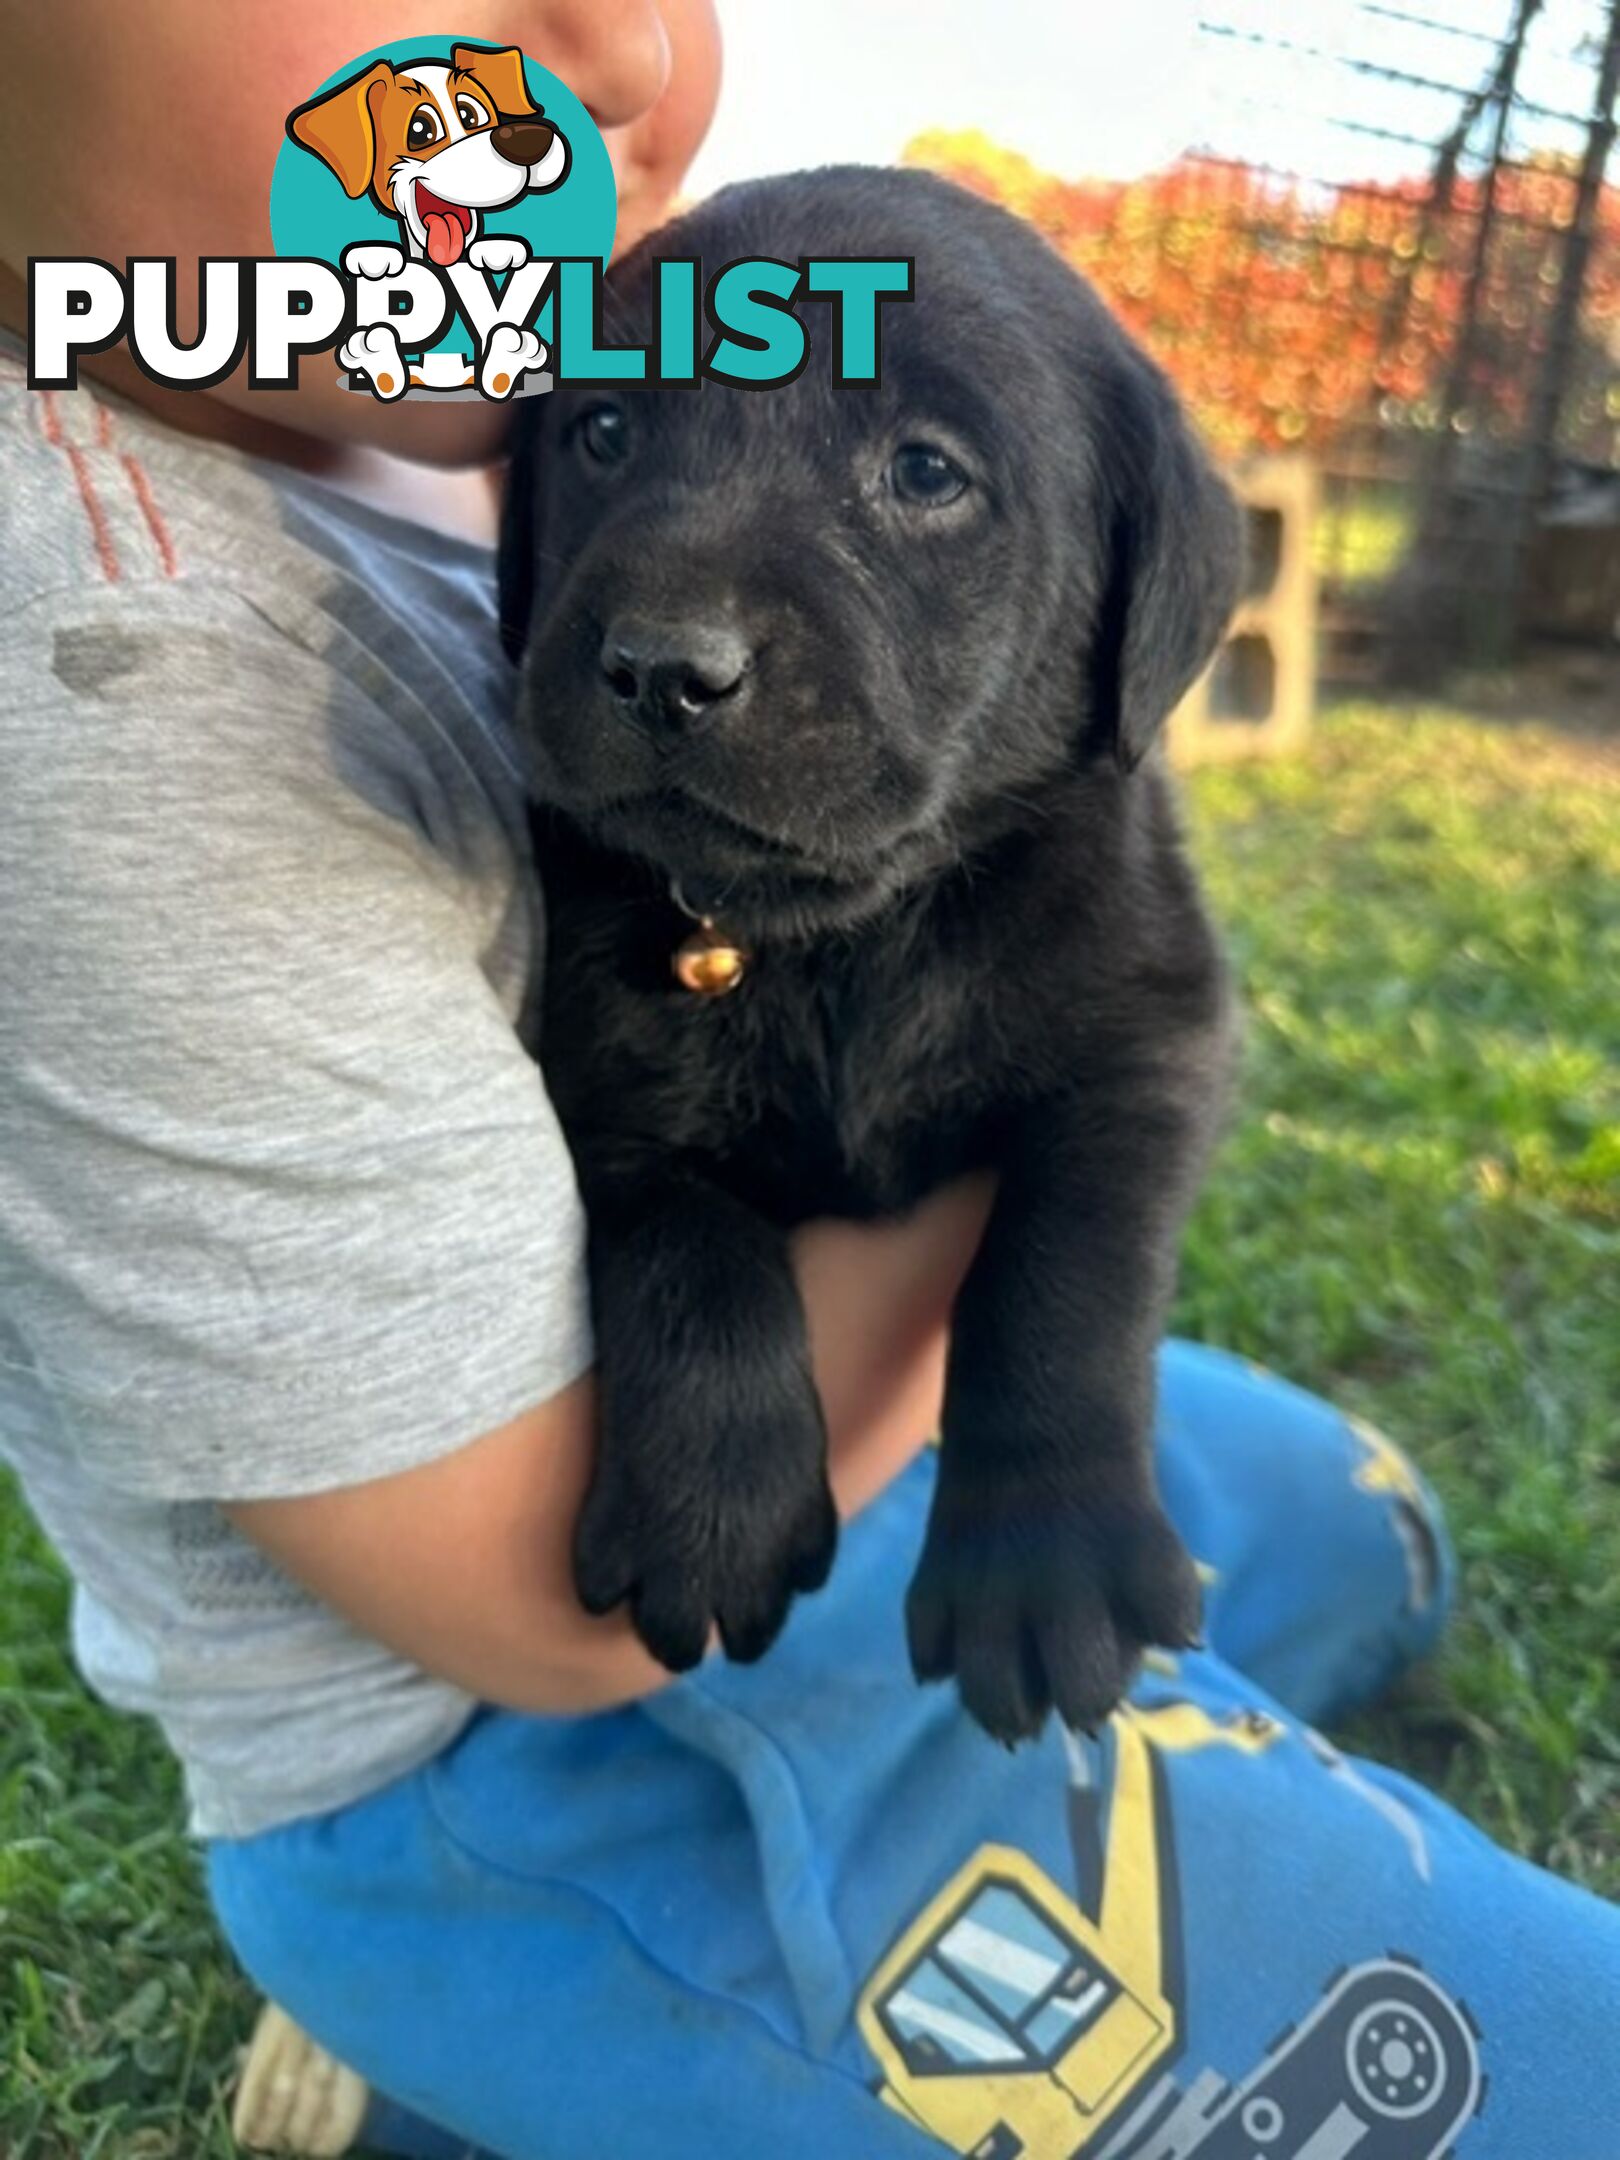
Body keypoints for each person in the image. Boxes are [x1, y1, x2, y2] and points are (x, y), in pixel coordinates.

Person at [0, 8, 1614, 2158]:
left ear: (1140, 604)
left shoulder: (439, 420)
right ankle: (495, 2029)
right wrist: (720, 1280)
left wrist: (1052, 1421)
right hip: (511, 1738)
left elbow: (1142, 1043)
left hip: (861, 1439)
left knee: (1356, 1535)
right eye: (621, 447)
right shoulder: (116, 702)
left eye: (923, 477)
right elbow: (556, 1491)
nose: (675, 615)